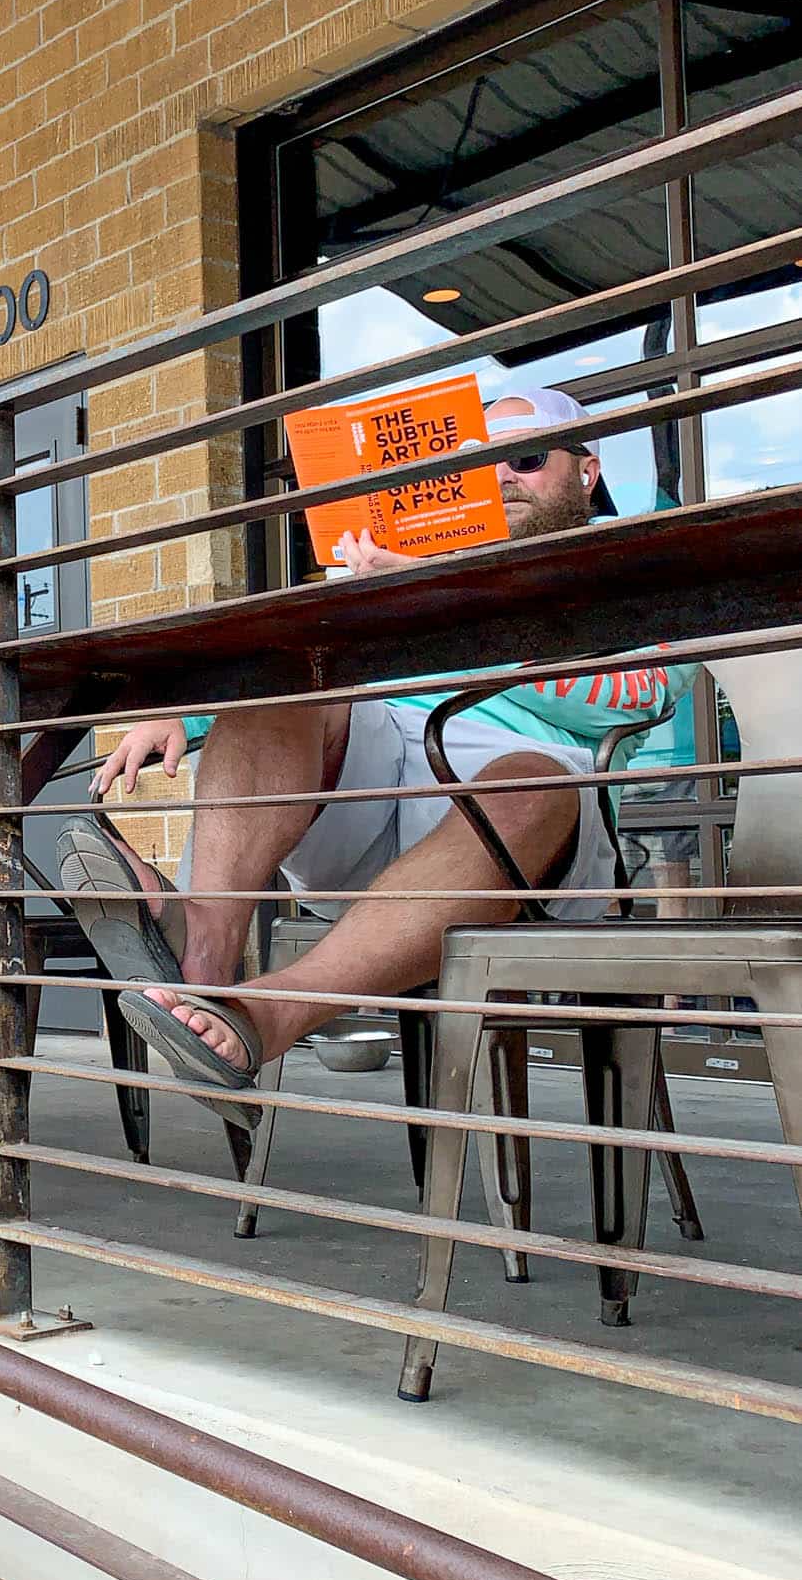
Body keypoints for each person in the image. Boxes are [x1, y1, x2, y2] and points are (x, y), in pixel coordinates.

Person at [55, 387, 694, 1127]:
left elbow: (634, 695)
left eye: (524, 458)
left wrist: (440, 606)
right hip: (378, 777)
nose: (501, 478)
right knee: (282, 671)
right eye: (478, 465)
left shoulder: (628, 569)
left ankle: (270, 1013)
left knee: (530, 784)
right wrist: (190, 717)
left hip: (529, 831)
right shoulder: (414, 549)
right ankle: (205, 945)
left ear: (584, 473)